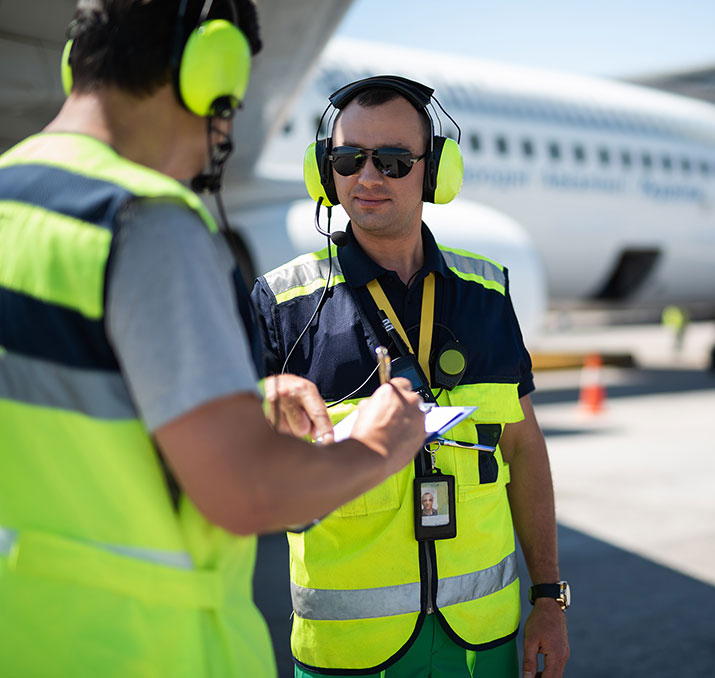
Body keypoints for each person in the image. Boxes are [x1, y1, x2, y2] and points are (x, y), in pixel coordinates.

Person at [0, 3, 425, 676]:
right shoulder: (147, 224)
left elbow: (69, 416)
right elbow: (247, 492)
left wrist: (233, 397)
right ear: (211, 74)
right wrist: (382, 443)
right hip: (143, 648)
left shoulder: (12, 200)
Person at [251, 76, 571, 678]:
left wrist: (549, 599)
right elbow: (236, 460)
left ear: (435, 173)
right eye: (348, 159)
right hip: (349, 654)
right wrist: (260, 400)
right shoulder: (282, 301)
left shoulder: (486, 295)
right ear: (326, 171)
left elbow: (525, 449)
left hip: (483, 642)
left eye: (395, 161)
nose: (368, 178)